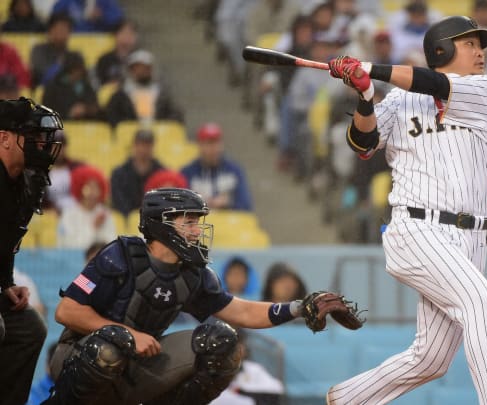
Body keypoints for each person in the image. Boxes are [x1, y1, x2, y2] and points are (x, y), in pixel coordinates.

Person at [324, 16, 487, 404]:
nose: (481, 52)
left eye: (481, 45)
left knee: (431, 358)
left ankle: (346, 399)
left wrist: (372, 70)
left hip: (470, 239)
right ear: (442, 50)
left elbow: (435, 84)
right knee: (478, 299)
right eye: (470, 44)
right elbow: (363, 143)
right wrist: (365, 95)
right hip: (416, 228)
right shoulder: (397, 100)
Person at [43, 188, 336, 404]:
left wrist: (299, 308)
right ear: (162, 224)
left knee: (223, 342)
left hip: (138, 364)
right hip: (79, 356)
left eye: (198, 221)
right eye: (189, 222)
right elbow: (66, 311)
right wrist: (128, 334)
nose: (197, 231)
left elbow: (242, 313)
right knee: (109, 349)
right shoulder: (119, 255)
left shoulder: (194, 273)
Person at [0, 97, 63, 404]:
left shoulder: (25, 180)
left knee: (30, 328)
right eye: (33, 137)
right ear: (5, 138)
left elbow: (6, 238)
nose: (43, 145)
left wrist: (6, 282)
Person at [181, 123, 253, 210]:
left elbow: (246, 204)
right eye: (209, 143)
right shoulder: (187, 172)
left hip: (228, 220)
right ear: (199, 145)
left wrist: (228, 202)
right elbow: (181, 205)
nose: (214, 148)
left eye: (217, 143)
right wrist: (202, 203)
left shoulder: (234, 170)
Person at [105, 49, 184, 126]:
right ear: (131, 70)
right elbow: (113, 116)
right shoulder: (120, 94)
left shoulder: (162, 93)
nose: (142, 71)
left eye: (146, 68)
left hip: (158, 133)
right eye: (138, 68)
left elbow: (174, 113)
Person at [209, 329, 283, 405]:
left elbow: (276, 390)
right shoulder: (212, 371)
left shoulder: (254, 369)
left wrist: (243, 392)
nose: (239, 350)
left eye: (241, 345)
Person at [57, 164, 116, 249]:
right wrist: (94, 227)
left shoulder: (105, 214)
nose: (92, 192)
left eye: (96, 187)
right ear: (80, 188)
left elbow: (111, 244)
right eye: (88, 187)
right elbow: (72, 247)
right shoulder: (69, 215)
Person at [110, 128, 164, 215]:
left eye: (148, 145)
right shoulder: (119, 173)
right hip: (127, 221)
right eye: (141, 144)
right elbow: (118, 202)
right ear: (134, 146)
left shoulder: (162, 173)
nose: (144, 149)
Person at [29, 13, 84, 87]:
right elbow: (42, 77)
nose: (62, 32)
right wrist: (59, 65)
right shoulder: (39, 50)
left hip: (71, 95)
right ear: (50, 30)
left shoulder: (75, 55)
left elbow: (81, 82)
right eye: (59, 28)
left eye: (65, 29)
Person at [94, 19, 139, 86]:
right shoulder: (105, 60)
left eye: (131, 33)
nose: (127, 37)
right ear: (115, 35)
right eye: (124, 33)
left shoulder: (140, 59)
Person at [50, 0, 124, 32]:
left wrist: (102, 16)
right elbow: (54, 19)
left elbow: (118, 21)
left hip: (99, 44)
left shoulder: (104, 2)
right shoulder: (67, 2)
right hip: (73, 43)